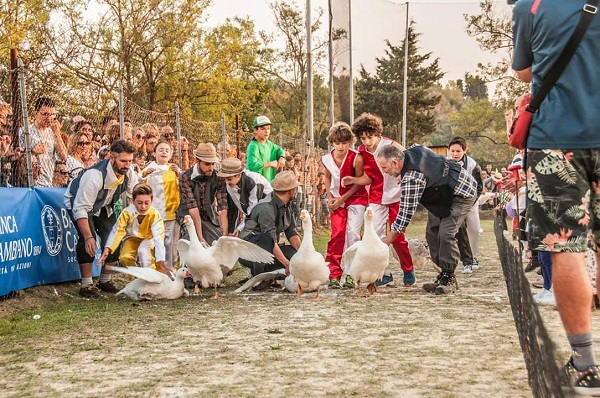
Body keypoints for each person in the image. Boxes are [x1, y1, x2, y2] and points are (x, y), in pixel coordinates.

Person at [512, 0, 600, 390]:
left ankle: (585, 364)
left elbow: (524, 72)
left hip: (558, 141)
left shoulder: (530, 6)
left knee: (567, 248)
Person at [377, 145, 477, 295]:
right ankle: (443, 274)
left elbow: (405, 213)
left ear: (396, 163)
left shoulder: (412, 177)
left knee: (446, 233)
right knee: (432, 233)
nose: (383, 171)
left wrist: (388, 240)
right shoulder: (411, 152)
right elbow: (418, 147)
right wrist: (400, 173)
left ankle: (449, 277)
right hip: (443, 193)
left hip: (462, 194)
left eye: (384, 167)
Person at [343, 112, 415, 287]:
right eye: (362, 138)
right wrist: (353, 180)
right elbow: (368, 178)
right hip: (376, 196)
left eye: (370, 137)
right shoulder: (361, 152)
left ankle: (408, 269)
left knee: (398, 236)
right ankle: (385, 272)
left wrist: (404, 174)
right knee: (374, 235)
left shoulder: (390, 145)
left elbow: (410, 158)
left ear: (377, 134)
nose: (367, 142)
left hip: (397, 195)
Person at [64, 140, 140, 298]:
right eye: (123, 161)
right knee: (87, 241)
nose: (127, 165)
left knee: (114, 239)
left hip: (104, 204)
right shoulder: (94, 176)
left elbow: (133, 198)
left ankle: (105, 281)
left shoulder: (129, 173)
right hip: (79, 203)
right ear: (112, 158)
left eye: (130, 161)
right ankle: (86, 284)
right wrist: (88, 236)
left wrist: (133, 225)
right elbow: (81, 208)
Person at [321, 122, 368, 289]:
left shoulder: (357, 157)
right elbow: (327, 177)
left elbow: (358, 182)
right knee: (337, 234)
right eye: (337, 143)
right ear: (332, 143)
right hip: (336, 199)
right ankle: (333, 272)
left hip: (356, 198)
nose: (340, 146)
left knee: (353, 233)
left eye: (344, 142)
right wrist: (329, 197)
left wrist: (342, 199)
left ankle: (351, 273)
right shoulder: (327, 159)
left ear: (350, 142)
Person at [238, 170, 300, 277]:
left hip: (269, 249)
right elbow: (271, 241)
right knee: (266, 240)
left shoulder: (287, 204)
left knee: (295, 256)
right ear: (290, 191)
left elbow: (291, 231)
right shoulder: (265, 208)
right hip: (248, 252)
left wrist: (302, 253)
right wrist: (287, 264)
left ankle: (270, 273)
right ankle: (258, 277)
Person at [99, 184, 170, 277]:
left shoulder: (154, 215)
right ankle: (136, 280)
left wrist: (161, 259)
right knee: (125, 257)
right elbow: (117, 230)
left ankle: (150, 280)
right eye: (139, 203)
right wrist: (108, 248)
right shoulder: (127, 213)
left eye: (147, 203)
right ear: (133, 201)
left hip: (149, 238)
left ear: (151, 201)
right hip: (132, 238)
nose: (143, 207)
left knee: (144, 252)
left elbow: (158, 237)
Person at [178, 142, 228, 245]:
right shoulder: (185, 177)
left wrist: (224, 235)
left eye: (213, 164)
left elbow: (222, 206)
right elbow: (193, 208)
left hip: (209, 216)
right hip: (189, 217)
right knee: (193, 246)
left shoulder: (218, 176)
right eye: (207, 164)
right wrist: (200, 238)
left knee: (218, 245)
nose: (211, 167)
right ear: (197, 161)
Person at [142, 140, 181, 271]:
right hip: (153, 214)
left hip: (171, 212)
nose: (164, 152)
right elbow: (137, 185)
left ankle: (170, 271)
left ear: (170, 155)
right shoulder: (148, 169)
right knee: (153, 242)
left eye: (167, 150)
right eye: (161, 150)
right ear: (154, 153)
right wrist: (145, 174)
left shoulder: (174, 169)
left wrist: (179, 174)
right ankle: (153, 270)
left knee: (170, 245)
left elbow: (184, 185)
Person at [448, 136, 483, 274]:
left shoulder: (473, 165)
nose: (455, 154)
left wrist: (471, 203)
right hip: (455, 202)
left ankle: (474, 257)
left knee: (474, 229)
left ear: (465, 150)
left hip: (471, 200)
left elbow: (479, 186)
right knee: (459, 231)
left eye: (458, 151)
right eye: (452, 151)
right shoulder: (445, 162)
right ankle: (466, 260)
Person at [217, 157, 272, 237]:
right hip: (251, 216)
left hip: (267, 213)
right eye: (225, 179)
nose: (226, 182)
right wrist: (231, 230)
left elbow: (254, 209)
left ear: (238, 175)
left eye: (229, 179)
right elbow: (234, 207)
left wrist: (240, 228)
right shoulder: (229, 186)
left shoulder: (254, 181)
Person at [19, 97, 68, 187]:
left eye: (52, 115)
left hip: (48, 182)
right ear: (35, 114)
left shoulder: (52, 132)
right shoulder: (25, 131)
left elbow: (64, 156)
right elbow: (20, 155)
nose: (49, 118)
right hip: (31, 182)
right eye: (45, 114)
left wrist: (57, 133)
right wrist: (33, 151)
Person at [246, 115, 285, 181]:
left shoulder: (268, 144)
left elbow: (279, 150)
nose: (266, 131)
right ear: (255, 130)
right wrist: (270, 164)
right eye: (263, 129)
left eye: (268, 128)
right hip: (257, 184)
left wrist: (282, 157)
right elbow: (252, 166)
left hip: (269, 183)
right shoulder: (253, 146)